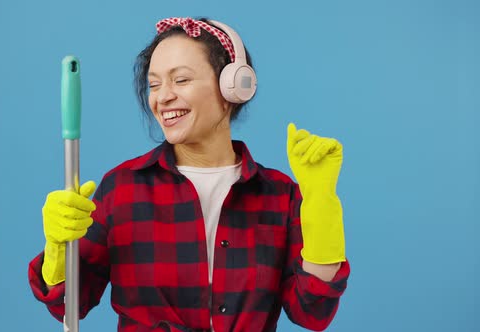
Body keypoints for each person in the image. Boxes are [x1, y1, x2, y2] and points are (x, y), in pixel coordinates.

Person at [28, 17, 350, 332]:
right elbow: (69, 304)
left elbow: (313, 311)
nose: (162, 96)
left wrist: (321, 202)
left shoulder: (279, 196)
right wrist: (58, 249)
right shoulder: (122, 190)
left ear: (233, 86)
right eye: (154, 84)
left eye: (180, 80)